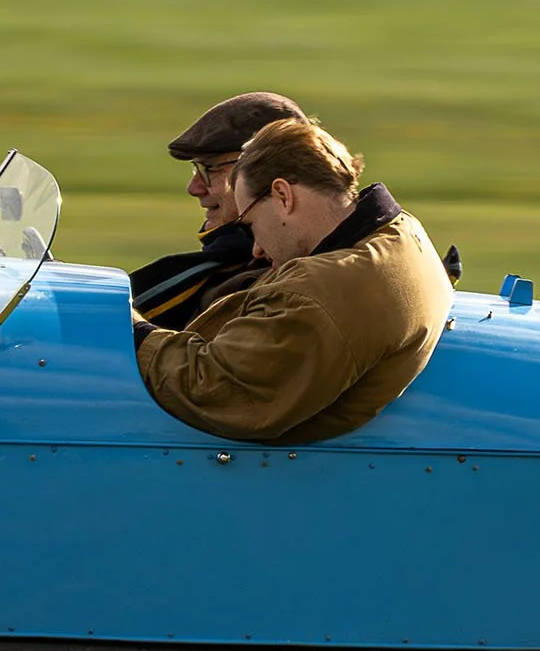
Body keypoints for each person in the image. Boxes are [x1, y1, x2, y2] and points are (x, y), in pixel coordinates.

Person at [133, 118, 453, 445]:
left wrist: (128, 329)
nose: (255, 248)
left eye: (250, 223)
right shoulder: (400, 231)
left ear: (283, 196)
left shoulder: (320, 292)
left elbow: (217, 390)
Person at [128, 91, 306, 328]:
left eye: (210, 169)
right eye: (197, 169)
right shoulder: (229, 266)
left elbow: (194, 363)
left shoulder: (264, 283)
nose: (194, 188)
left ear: (269, 175)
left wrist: (128, 322)